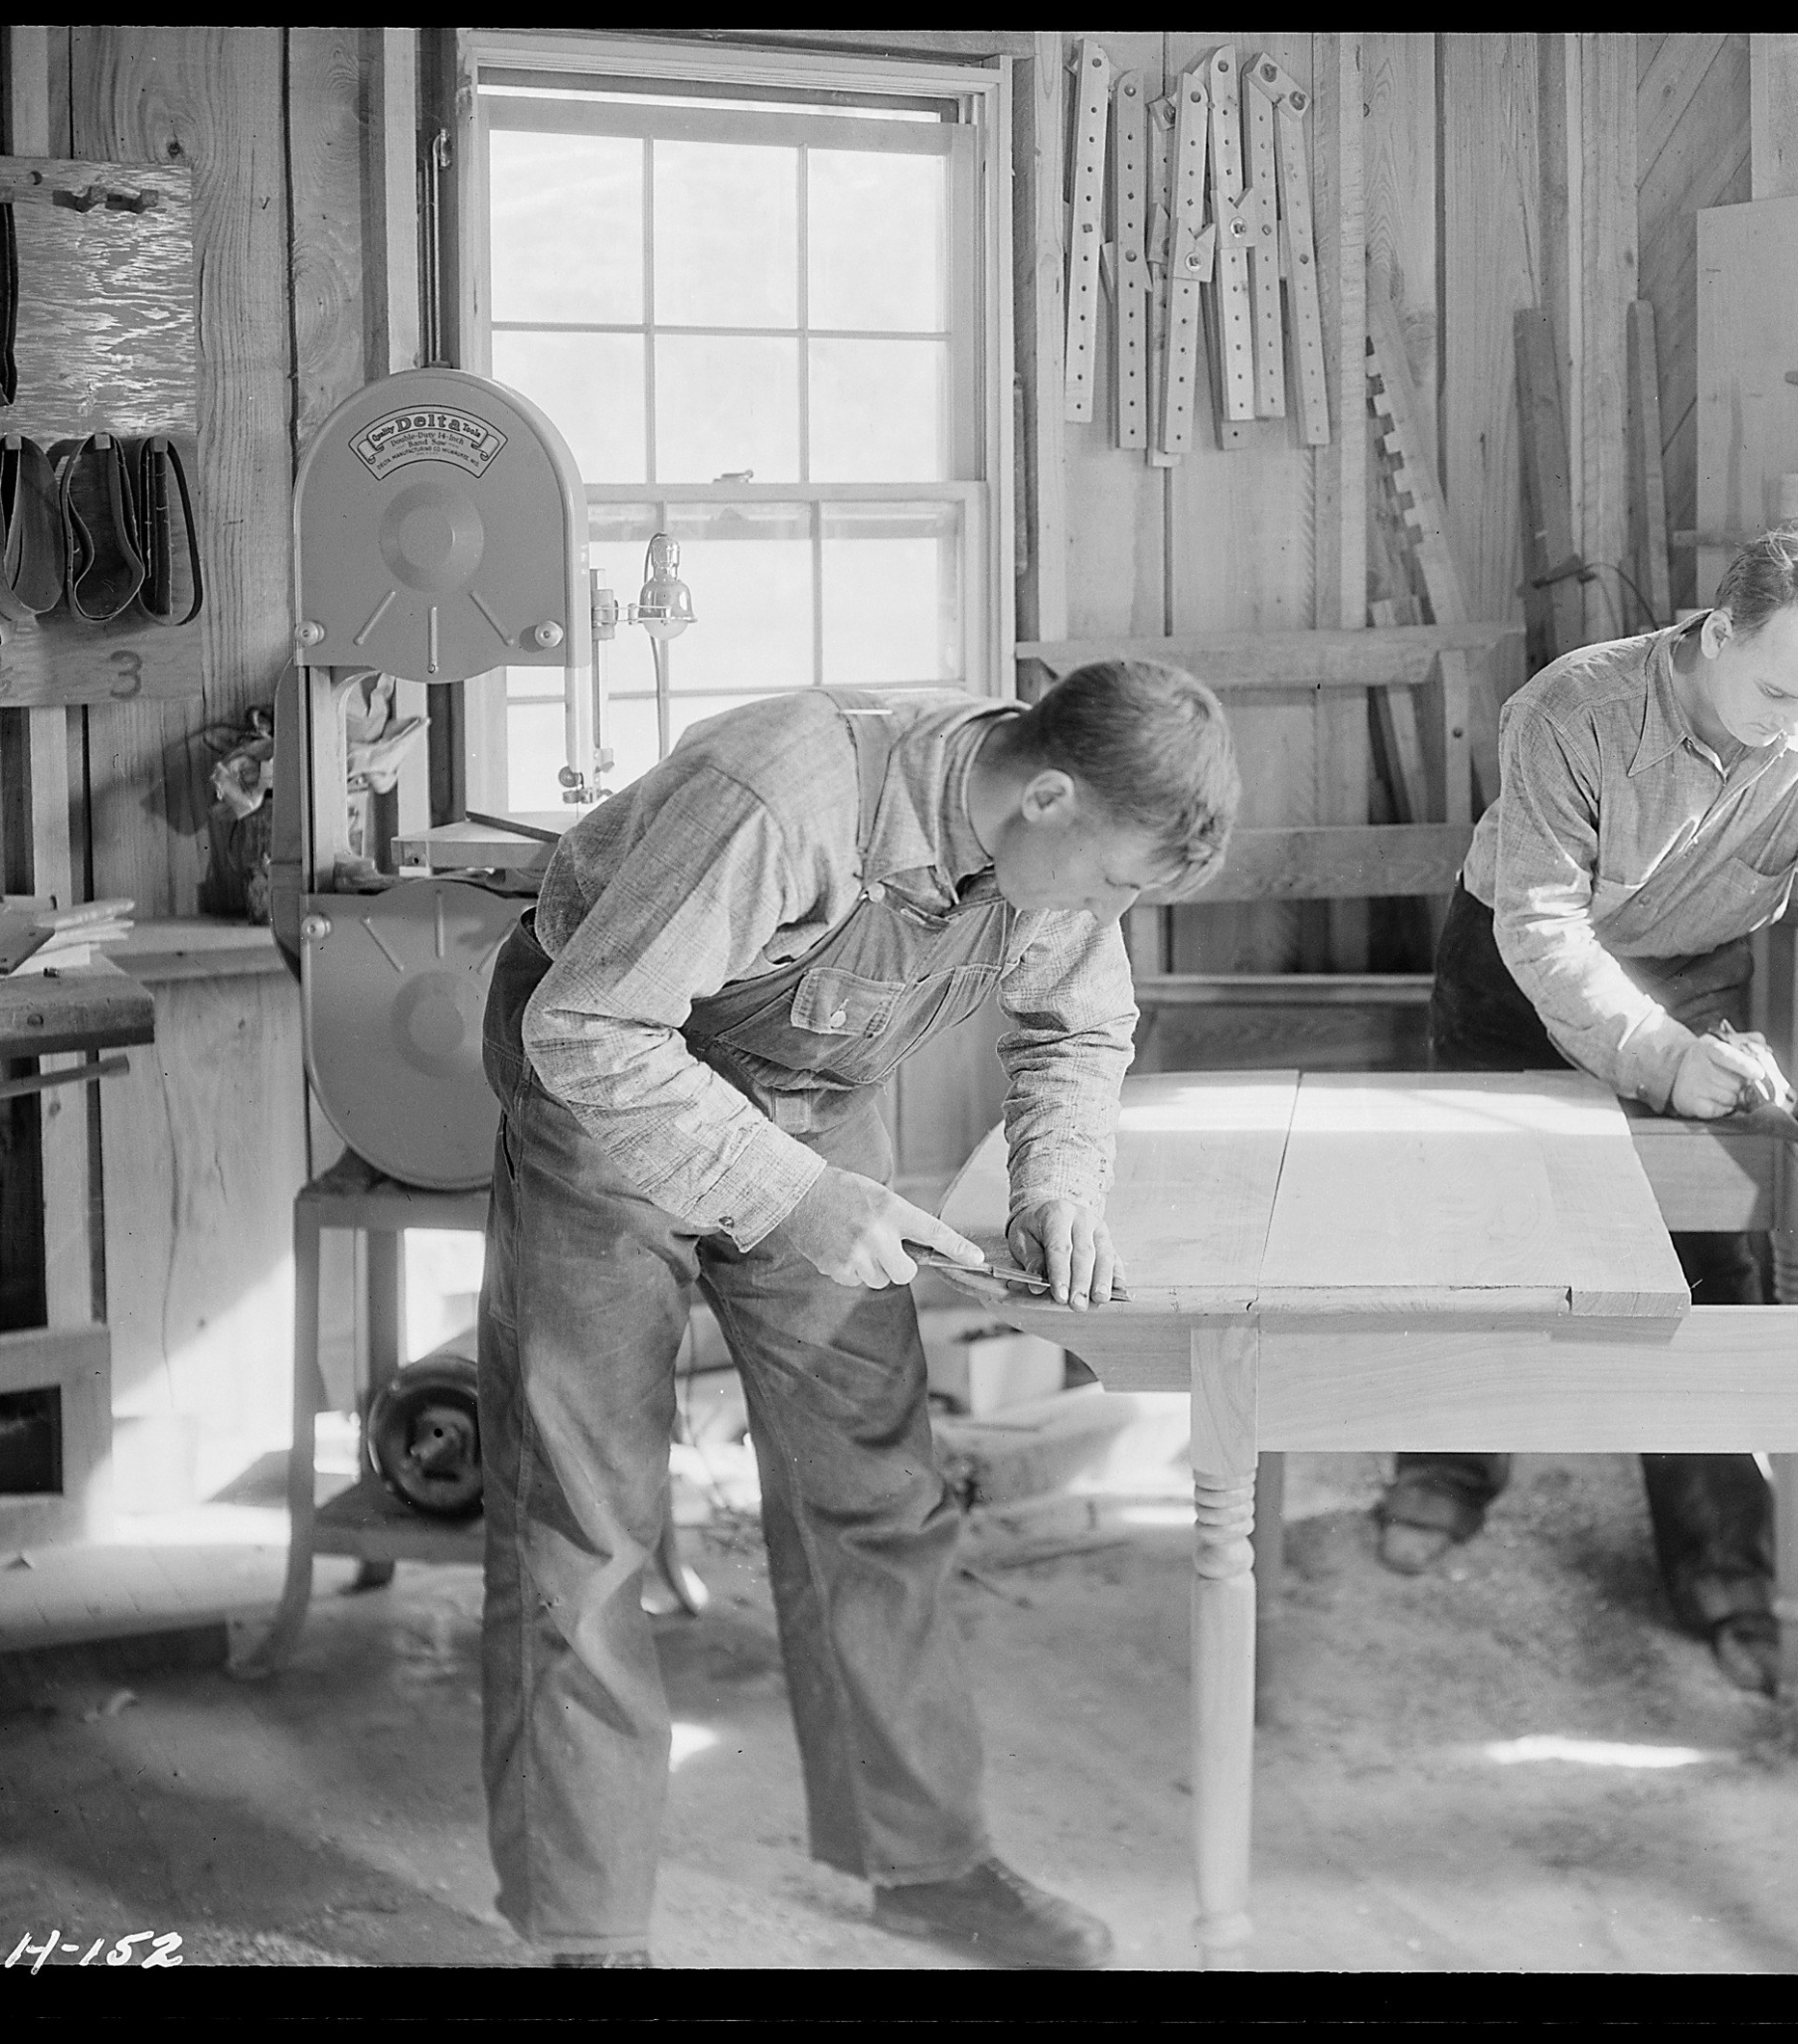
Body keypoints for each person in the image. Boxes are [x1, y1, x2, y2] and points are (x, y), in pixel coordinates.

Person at [474, 659, 1238, 1968]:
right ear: (1048, 793)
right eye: (1116, 881)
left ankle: (927, 1866)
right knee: (586, 1516)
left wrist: (1058, 1182)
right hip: (606, 1102)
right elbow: (592, 1030)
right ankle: (583, 1928)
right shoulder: (781, 797)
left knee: (877, 1498)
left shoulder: (1049, 849)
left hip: (815, 1105)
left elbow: (1074, 1033)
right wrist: (792, 1197)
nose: (1112, 909)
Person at [1383, 520, 1798, 1697]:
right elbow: (1541, 925)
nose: (1796, 721)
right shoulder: (1574, 708)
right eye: (1776, 689)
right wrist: (1658, 1058)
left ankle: (1724, 1563)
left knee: (1713, 1263)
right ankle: (1446, 1470)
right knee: (1482, 1239)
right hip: (1521, 973)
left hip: (1695, 969)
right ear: (1715, 630)